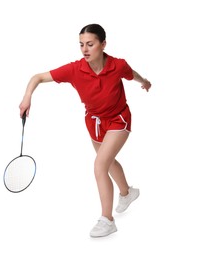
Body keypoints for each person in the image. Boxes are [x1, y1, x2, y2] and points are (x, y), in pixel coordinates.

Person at [19, 23, 151, 237]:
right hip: (94, 121)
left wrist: (144, 81)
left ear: (103, 44)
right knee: (107, 162)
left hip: (118, 120)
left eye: (90, 44)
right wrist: (27, 97)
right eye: (81, 45)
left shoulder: (117, 65)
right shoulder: (74, 69)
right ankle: (127, 193)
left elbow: (130, 73)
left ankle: (107, 220)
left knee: (100, 165)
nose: (85, 49)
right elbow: (38, 77)